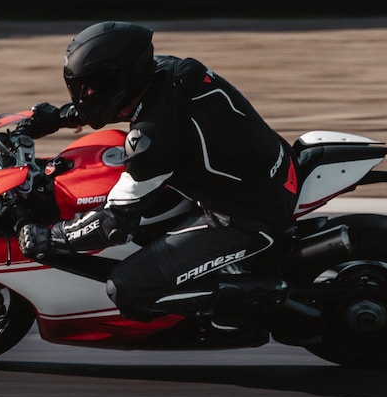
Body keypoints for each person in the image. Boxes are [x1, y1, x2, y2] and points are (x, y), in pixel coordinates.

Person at [17, 21, 300, 337]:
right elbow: (122, 104)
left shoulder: (153, 139)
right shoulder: (167, 70)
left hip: (245, 215)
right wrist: (60, 116)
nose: (84, 95)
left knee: (128, 288)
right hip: (267, 165)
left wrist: (54, 237)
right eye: (79, 87)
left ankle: (253, 297)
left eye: (90, 87)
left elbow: (113, 224)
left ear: (120, 79)